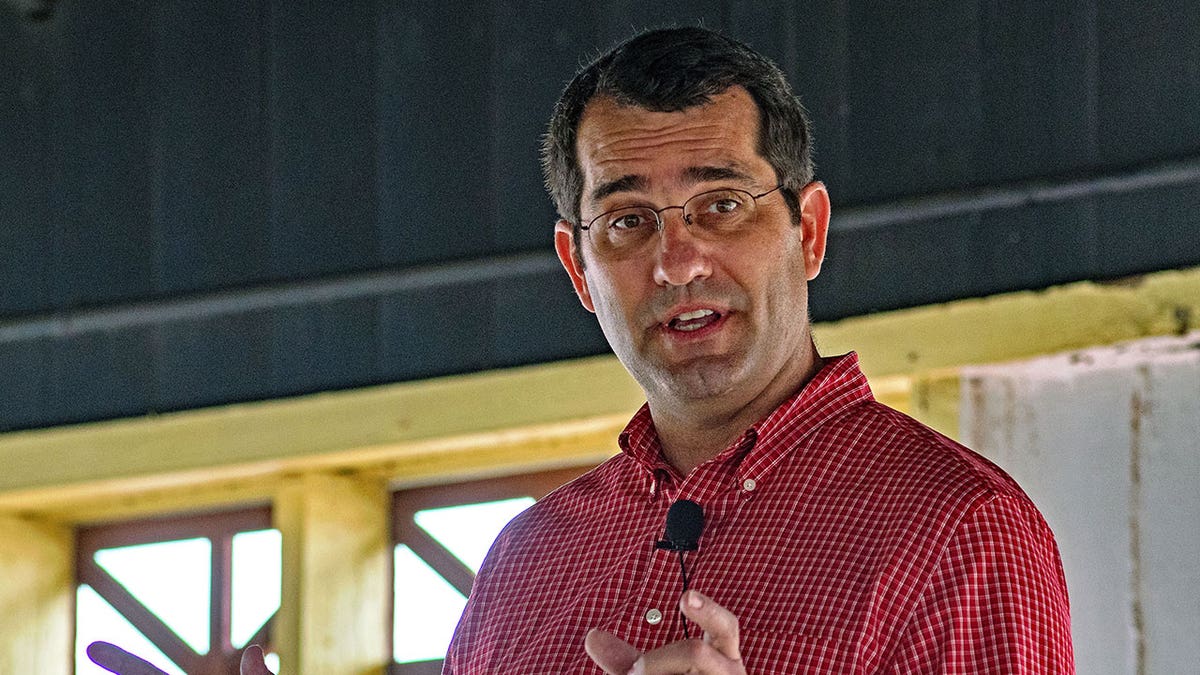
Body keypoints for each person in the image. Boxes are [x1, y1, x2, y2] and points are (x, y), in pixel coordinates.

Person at [442, 26, 1074, 674]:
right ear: (578, 270)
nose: (677, 264)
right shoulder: (521, 566)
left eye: (721, 204)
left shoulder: (958, 529)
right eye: (628, 220)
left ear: (810, 233)